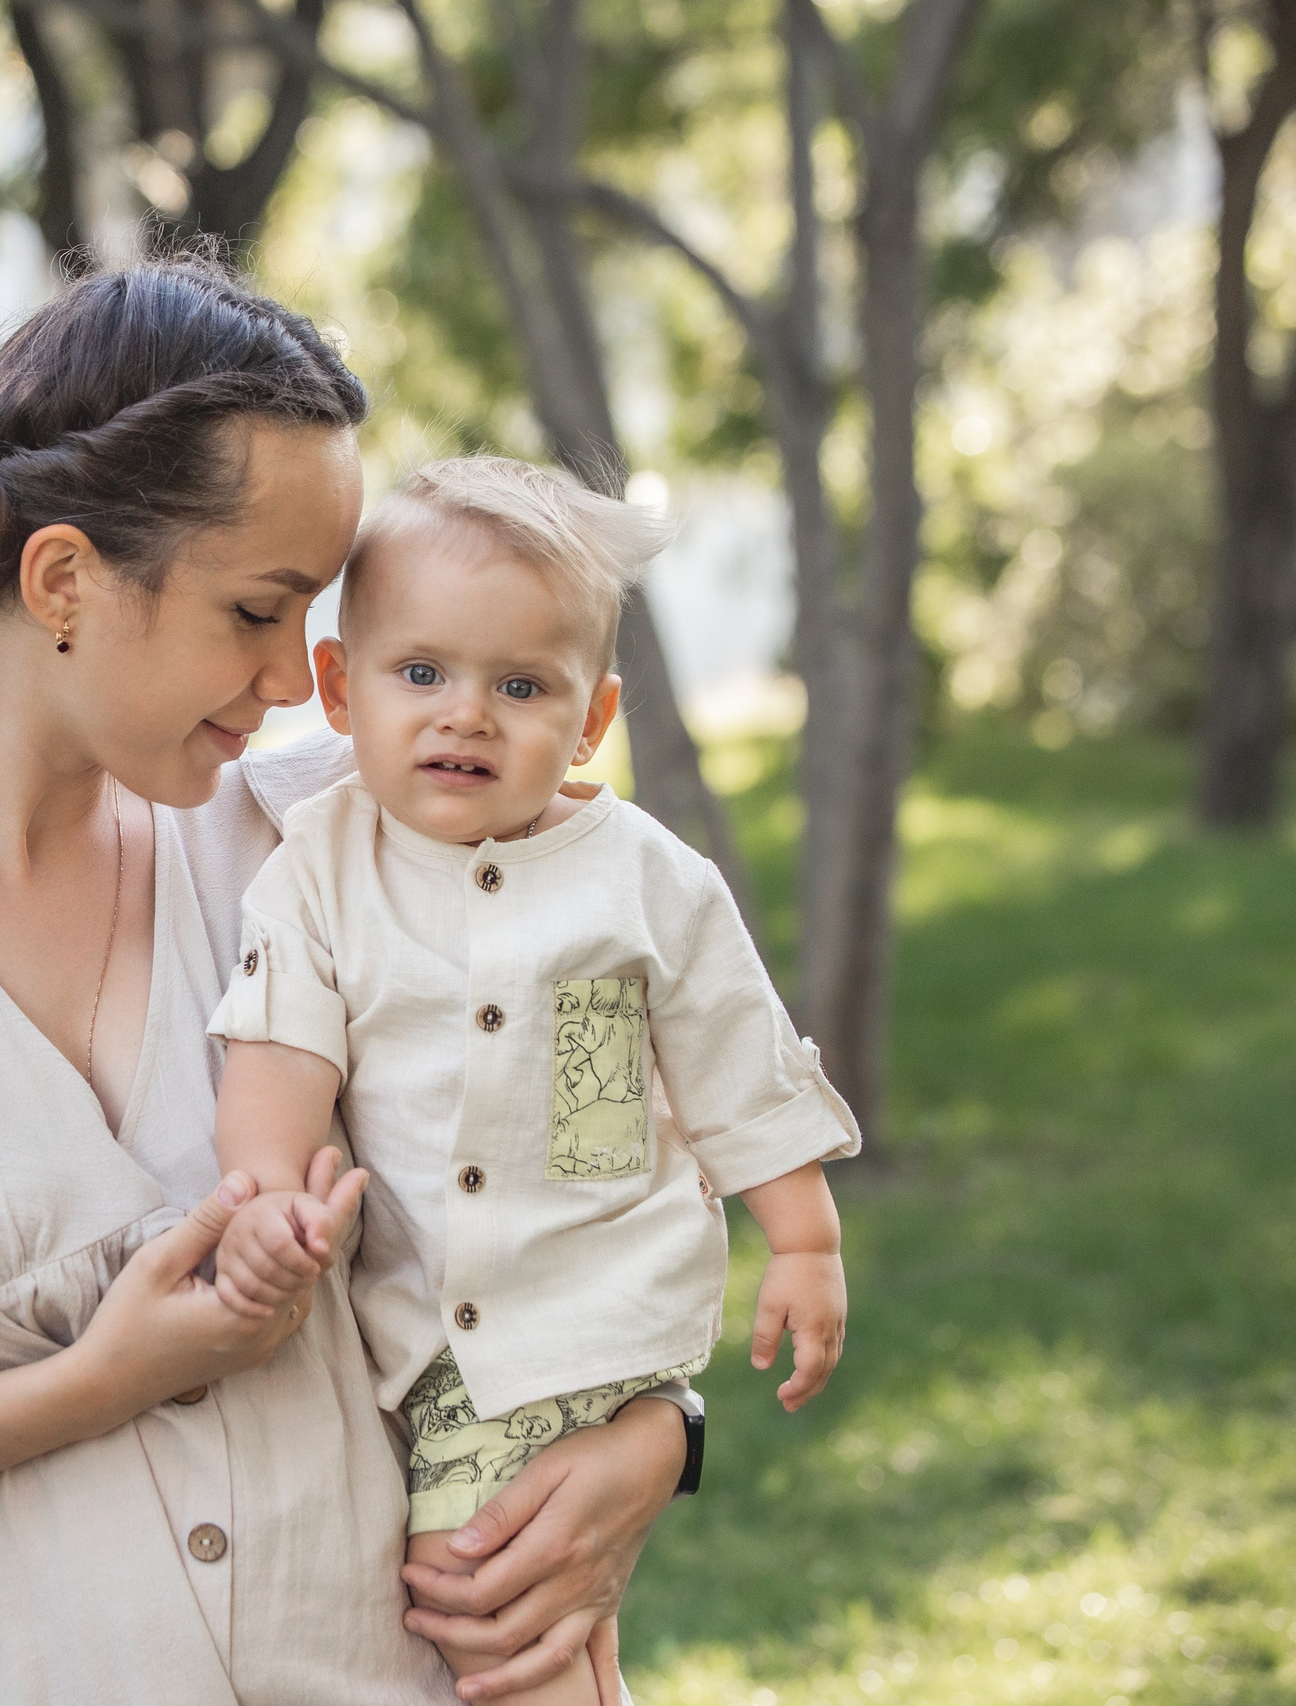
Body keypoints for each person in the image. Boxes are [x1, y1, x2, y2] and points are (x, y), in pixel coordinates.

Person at [0, 259, 696, 1705]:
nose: (302, 677)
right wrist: (88, 1382)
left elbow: (587, 1158)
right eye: (255, 610)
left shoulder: (331, 843)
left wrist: (654, 1427)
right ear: (63, 579)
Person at [203, 457, 863, 1704]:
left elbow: (740, 1067)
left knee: (488, 1611)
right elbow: (279, 1051)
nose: (466, 714)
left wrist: (805, 1245)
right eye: (421, 673)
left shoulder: (650, 880)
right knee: (541, 1635)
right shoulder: (321, 869)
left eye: (519, 685)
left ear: (590, 715)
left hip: (601, 1329)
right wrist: (263, 1200)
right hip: (443, 1346)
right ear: (340, 687)